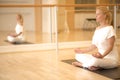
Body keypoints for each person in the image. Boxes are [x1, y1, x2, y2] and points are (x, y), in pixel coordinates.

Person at [72, 6, 119, 71]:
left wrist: (102, 56)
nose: (96, 16)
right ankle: (94, 66)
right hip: (99, 57)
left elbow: (110, 47)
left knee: (95, 61)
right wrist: (82, 51)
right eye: (96, 14)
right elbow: (94, 45)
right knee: (78, 55)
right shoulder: (97, 29)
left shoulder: (110, 29)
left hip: (110, 59)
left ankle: (83, 65)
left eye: (98, 14)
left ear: (104, 16)